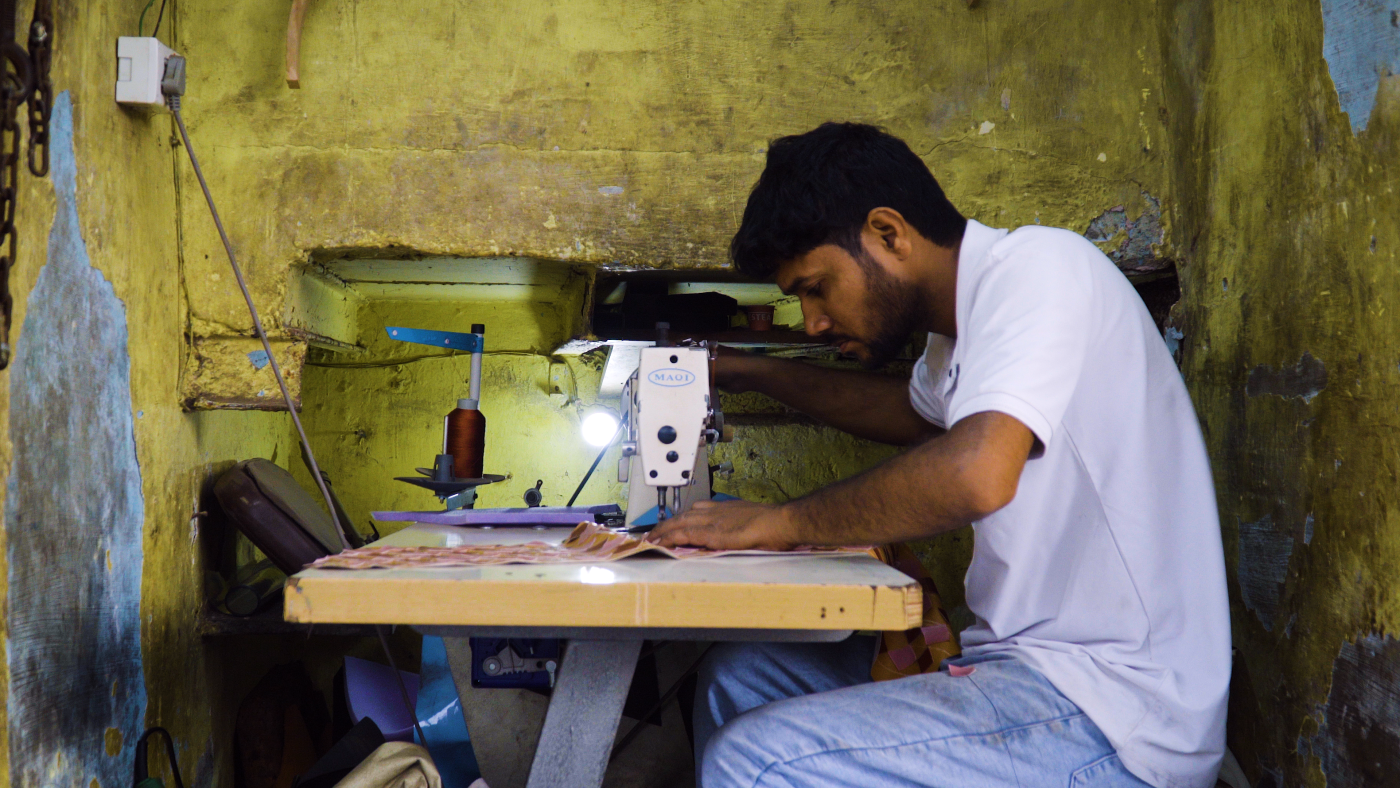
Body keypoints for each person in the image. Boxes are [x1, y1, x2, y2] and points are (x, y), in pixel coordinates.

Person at [646, 123, 1231, 788]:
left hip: (1112, 712)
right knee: (741, 678)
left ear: (888, 234)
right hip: (1018, 670)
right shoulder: (957, 340)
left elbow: (974, 473)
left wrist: (776, 524)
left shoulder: (1042, 269)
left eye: (816, 287)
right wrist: (747, 372)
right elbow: (908, 416)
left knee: (755, 760)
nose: (812, 322)